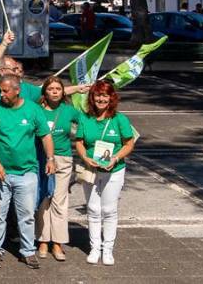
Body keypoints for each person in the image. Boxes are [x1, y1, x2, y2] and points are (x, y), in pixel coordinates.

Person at [0, 73, 53, 270]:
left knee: (27, 214)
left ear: (17, 90)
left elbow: (45, 136)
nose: (1, 94)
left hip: (26, 172)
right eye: (0, 90)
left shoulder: (33, 109)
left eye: (5, 91)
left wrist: (51, 158)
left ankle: (28, 251)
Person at [73, 81, 138, 266]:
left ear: (111, 98)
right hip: (91, 169)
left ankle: (107, 250)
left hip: (114, 170)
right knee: (93, 209)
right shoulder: (85, 118)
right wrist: (85, 157)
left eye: (105, 95)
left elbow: (129, 144)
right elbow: (79, 142)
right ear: (92, 98)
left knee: (109, 210)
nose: (101, 99)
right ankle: (95, 248)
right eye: (97, 95)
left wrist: (115, 158)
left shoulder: (119, 119)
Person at [34, 76, 77, 262]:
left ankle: (58, 243)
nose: (54, 92)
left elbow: (88, 123)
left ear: (63, 92)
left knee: (59, 201)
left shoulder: (69, 111)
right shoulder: (36, 110)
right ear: (45, 92)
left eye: (58, 89)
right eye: (50, 88)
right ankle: (43, 240)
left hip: (63, 159)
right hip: (41, 158)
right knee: (44, 200)